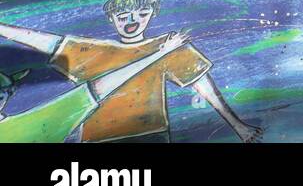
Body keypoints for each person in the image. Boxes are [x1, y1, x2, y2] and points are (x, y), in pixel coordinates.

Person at [0, 0, 261, 142]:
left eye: (141, 14)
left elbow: (203, 86)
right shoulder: (94, 50)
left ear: (152, 14)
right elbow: (42, 40)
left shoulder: (167, 46)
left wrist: (237, 125)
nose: (131, 21)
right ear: (112, 18)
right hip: (97, 138)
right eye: (123, 15)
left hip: (150, 133)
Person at [0, 31, 192, 143]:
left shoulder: (34, 124)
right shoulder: (32, 126)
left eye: (4, 93)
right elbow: (98, 88)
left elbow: (98, 88)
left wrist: (160, 54)